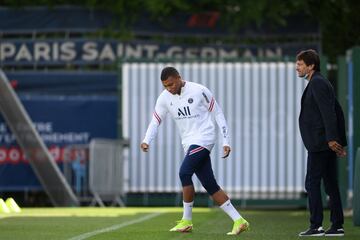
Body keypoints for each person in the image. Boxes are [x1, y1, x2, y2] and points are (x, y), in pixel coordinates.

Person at [140, 66, 249, 235]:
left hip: (204, 138)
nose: (169, 88)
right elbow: (156, 120)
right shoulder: (164, 98)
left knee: (184, 172)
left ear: (179, 77)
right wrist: (147, 140)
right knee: (210, 185)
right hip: (189, 143)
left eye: (171, 84)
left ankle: (187, 220)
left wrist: (226, 140)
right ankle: (239, 220)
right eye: (165, 86)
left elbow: (218, 113)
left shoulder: (199, 90)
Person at [296, 49, 347, 237]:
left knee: (312, 183)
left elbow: (329, 113)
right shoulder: (320, 82)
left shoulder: (317, 83)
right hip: (326, 142)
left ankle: (316, 225)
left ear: (311, 66)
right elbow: (337, 111)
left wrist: (333, 140)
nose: (297, 67)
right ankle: (337, 225)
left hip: (320, 144)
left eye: (300, 64)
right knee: (331, 184)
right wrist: (339, 142)